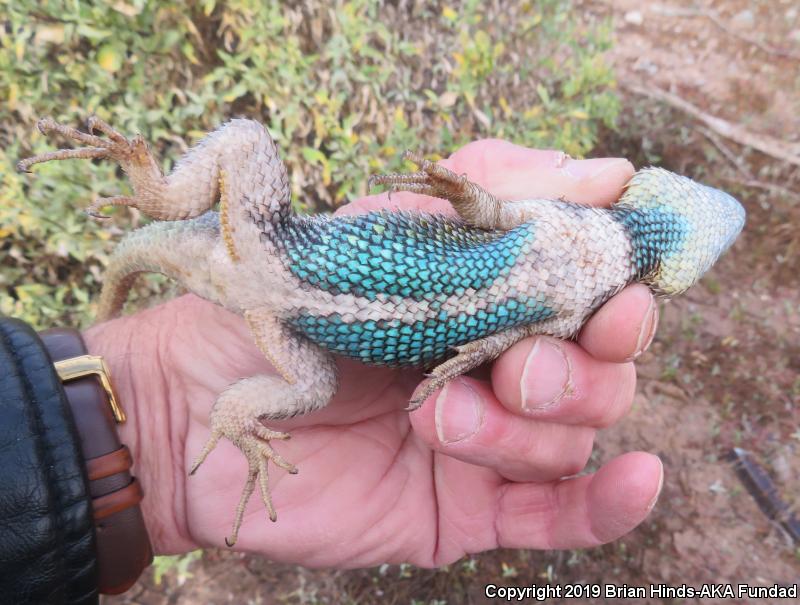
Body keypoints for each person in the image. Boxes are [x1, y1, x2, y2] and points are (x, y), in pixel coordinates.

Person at [0, 140, 663, 603]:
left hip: (268, 273)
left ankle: (160, 204)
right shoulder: (558, 278)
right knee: (313, 381)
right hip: (271, 270)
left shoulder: (550, 266)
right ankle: (157, 192)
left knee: (251, 150)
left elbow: (495, 288)